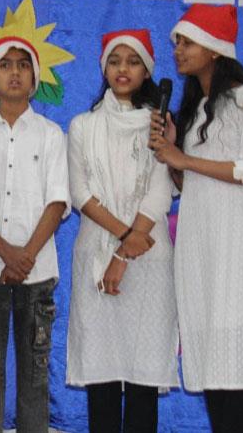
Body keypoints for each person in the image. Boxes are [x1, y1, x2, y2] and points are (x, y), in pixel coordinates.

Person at [149, 5, 243, 432]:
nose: (178, 51)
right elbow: (190, 186)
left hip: (237, 247)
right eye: (177, 43)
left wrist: (184, 158)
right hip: (202, 247)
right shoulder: (198, 108)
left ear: (214, 48)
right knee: (214, 368)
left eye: (186, 42)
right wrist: (173, 157)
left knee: (237, 364)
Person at [65, 29, 178, 432]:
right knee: (103, 377)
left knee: (143, 375)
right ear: (104, 69)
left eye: (133, 61)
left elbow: (161, 190)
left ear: (147, 71)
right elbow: (80, 193)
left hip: (148, 260)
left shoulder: (159, 125)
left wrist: (126, 250)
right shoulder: (83, 125)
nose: (122, 69)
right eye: (114, 61)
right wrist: (124, 239)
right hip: (98, 254)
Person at [0, 36, 69, 433]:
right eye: (5, 65)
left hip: (37, 273)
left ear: (35, 78)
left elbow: (57, 202)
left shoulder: (50, 134)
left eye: (23, 65)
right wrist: (7, 253)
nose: (15, 73)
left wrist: (25, 257)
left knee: (35, 380)